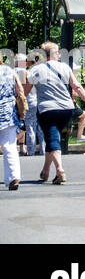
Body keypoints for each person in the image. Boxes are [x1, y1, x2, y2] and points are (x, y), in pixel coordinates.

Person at [24, 41, 85, 185]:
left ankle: (60, 170)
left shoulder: (36, 70)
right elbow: (77, 86)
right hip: (67, 110)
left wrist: (19, 107)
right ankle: (45, 171)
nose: (59, 54)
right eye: (57, 52)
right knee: (52, 137)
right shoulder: (64, 67)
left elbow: (24, 92)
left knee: (52, 138)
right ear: (53, 54)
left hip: (47, 110)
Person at [0, 57, 23, 190]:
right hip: (8, 112)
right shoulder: (9, 70)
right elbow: (19, 90)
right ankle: (13, 177)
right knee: (9, 146)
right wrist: (22, 111)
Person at [14, 53, 42, 157]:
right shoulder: (28, 72)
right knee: (35, 127)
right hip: (32, 102)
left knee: (23, 126)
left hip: (18, 102)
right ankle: (38, 151)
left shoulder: (13, 72)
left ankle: (28, 150)